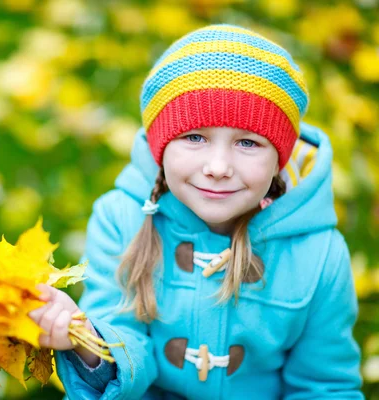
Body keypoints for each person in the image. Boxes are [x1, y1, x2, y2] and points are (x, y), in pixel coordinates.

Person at [28, 24, 363, 399]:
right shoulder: (120, 218)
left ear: (278, 161)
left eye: (248, 142)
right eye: (195, 137)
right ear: (161, 147)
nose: (218, 166)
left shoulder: (318, 253)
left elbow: (323, 384)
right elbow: (125, 337)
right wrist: (87, 339)